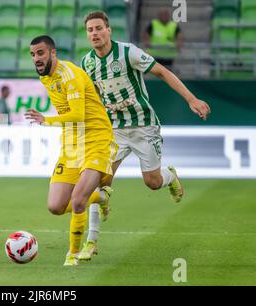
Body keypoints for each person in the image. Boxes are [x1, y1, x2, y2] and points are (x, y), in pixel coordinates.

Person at [77, 11, 210, 260]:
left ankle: (169, 177)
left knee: (152, 182)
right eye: (89, 30)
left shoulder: (128, 52)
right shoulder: (87, 63)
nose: (94, 33)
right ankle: (91, 242)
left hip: (143, 126)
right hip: (113, 130)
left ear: (109, 30)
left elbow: (162, 72)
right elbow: (93, 96)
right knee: (96, 181)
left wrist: (191, 98)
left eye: (98, 28)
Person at [25, 35, 118, 266]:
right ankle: (100, 197)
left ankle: (73, 254)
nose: (36, 58)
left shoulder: (70, 75)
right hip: (71, 142)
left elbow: (77, 114)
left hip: (96, 137)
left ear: (53, 53)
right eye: (33, 54)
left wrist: (46, 119)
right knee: (55, 207)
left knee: (77, 201)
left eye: (40, 53)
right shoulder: (46, 77)